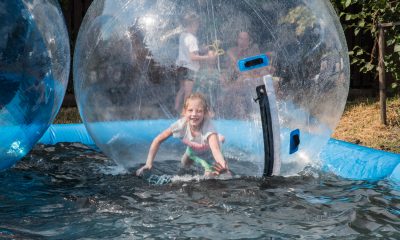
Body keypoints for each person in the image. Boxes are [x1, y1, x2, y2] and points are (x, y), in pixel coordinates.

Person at [136, 93, 229, 177]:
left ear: (205, 113)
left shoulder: (209, 129)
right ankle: (219, 138)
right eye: (190, 110)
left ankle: (219, 140)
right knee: (184, 164)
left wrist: (223, 166)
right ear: (185, 112)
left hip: (209, 154)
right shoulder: (181, 125)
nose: (194, 114)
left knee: (209, 177)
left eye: (199, 111)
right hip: (192, 149)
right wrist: (148, 163)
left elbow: (216, 151)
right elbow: (158, 140)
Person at [174, 12, 217, 113]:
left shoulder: (183, 35)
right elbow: (193, 56)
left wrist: (202, 48)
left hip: (181, 66)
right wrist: (208, 57)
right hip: (189, 68)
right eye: (197, 24)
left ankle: (175, 109)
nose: (198, 27)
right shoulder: (192, 39)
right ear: (193, 25)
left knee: (182, 90)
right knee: (188, 93)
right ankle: (184, 113)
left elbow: (189, 50)